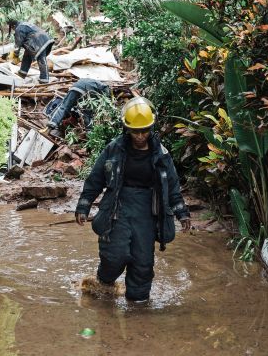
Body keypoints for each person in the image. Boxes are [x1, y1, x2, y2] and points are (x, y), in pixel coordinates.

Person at [75, 96, 191, 302]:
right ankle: (103, 285)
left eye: (144, 130)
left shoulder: (161, 155)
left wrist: (182, 213)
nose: (140, 135)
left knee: (143, 263)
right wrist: (84, 206)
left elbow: (172, 186)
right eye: (135, 131)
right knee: (114, 256)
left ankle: (138, 307)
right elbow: (96, 178)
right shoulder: (114, 149)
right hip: (117, 209)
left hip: (147, 213)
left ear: (151, 128)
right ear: (126, 128)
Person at [46, 78, 110, 136]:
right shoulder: (106, 88)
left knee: (64, 107)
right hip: (87, 91)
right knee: (87, 113)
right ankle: (90, 132)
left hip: (75, 87)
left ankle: (52, 124)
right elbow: (101, 102)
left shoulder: (93, 81)